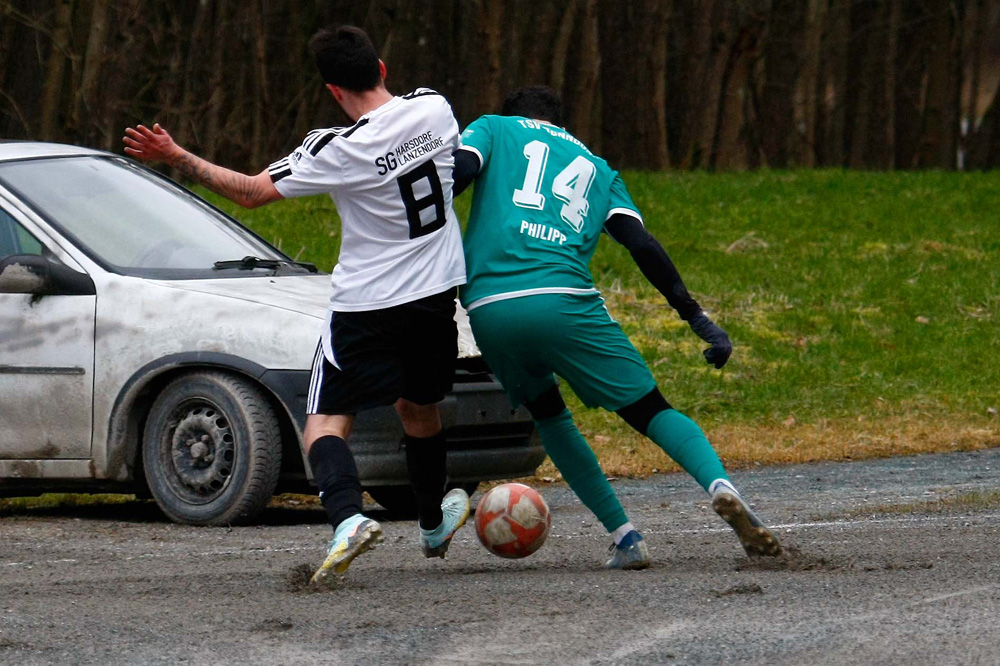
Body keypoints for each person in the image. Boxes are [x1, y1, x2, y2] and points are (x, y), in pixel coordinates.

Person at [124, 26, 471, 585]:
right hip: (436, 298)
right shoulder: (435, 107)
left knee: (324, 425)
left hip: (369, 305)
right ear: (381, 68)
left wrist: (176, 155)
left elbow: (251, 191)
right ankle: (432, 523)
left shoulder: (336, 148)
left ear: (334, 90)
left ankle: (348, 519)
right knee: (419, 410)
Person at [452, 86, 782, 569]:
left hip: (489, 306)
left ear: (513, 116)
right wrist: (696, 317)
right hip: (566, 302)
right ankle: (720, 485)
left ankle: (626, 538)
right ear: (561, 124)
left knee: (549, 416)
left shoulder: (493, 128)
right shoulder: (600, 170)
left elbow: (458, 174)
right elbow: (641, 245)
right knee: (651, 410)